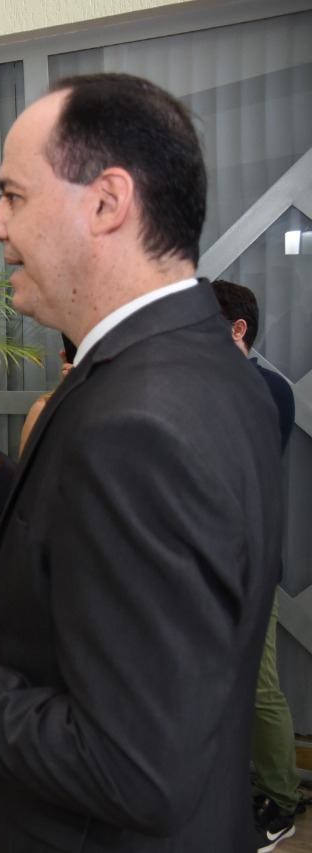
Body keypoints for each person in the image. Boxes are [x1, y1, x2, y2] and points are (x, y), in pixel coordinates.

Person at [0, 74, 284, 851]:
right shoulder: (198, 363)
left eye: (13, 194)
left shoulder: (141, 416)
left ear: (108, 202)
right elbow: (99, 558)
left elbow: (135, 765)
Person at [213, 279, 300, 852]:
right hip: (203, 564)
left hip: (247, 564)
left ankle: (281, 801)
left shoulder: (267, 388)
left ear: (237, 329)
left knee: (258, 684)